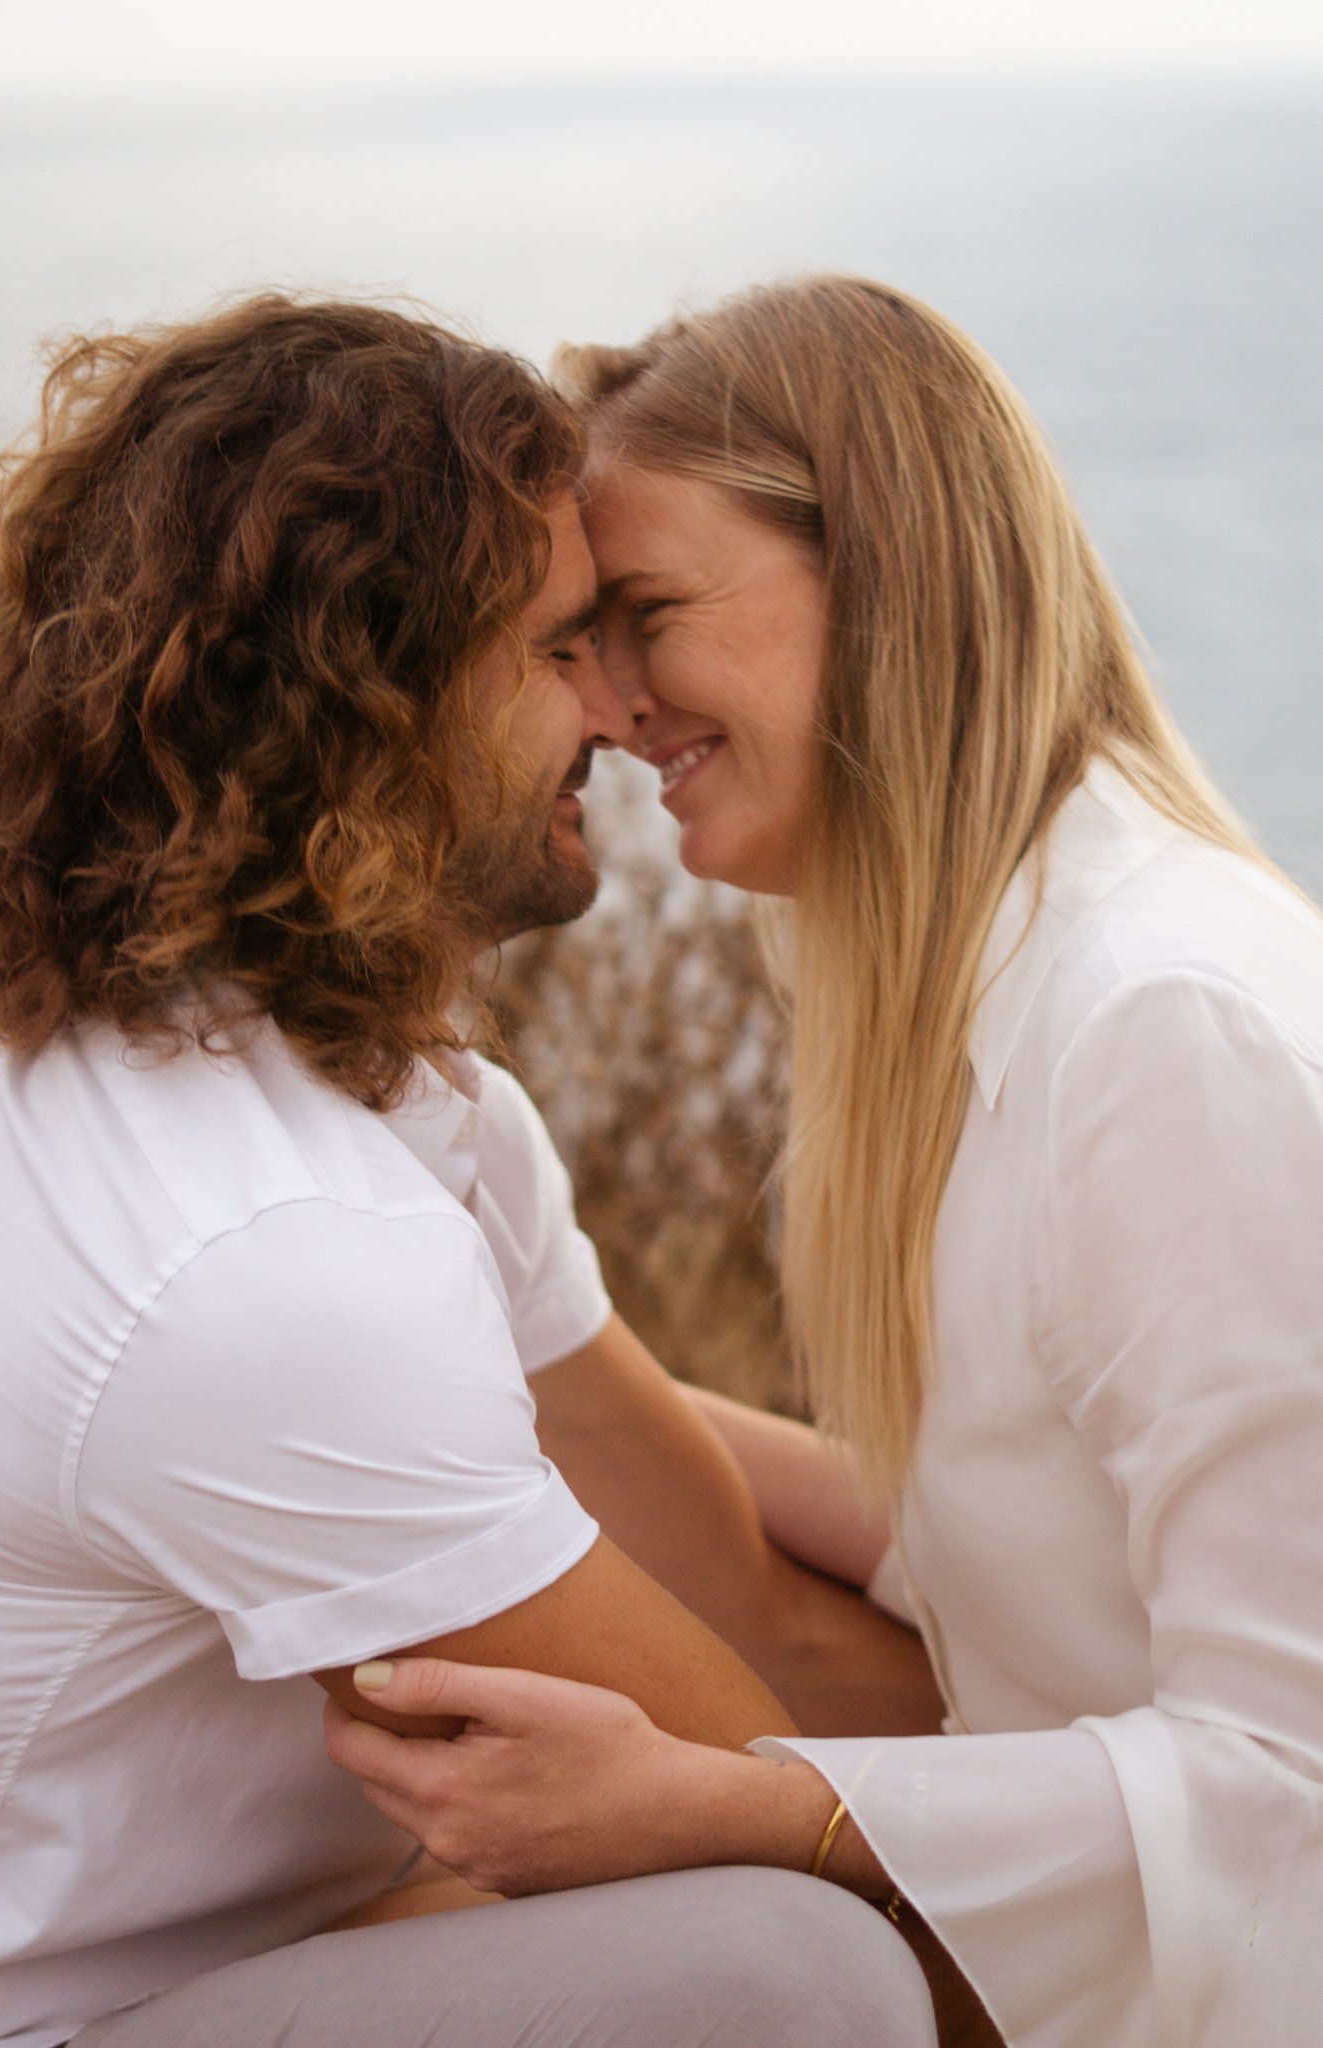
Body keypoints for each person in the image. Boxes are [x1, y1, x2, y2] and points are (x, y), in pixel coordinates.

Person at [323, 276, 1323, 2048]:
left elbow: (1291, 1777)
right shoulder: (997, 1007)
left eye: (643, 616)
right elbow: (1041, 1528)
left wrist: (736, 1805)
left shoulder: (1171, 1030)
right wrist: (458, 1382)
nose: (614, 714)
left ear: (887, 572)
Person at [0, 295, 940, 2048]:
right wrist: (1173, 1875)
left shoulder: (412, 1115)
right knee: (791, 1971)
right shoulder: (264, 1259)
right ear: (370, 697)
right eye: (567, 646)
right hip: (69, 2019)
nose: (628, 713)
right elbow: (740, 1792)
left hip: (290, 1953)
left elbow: (716, 1587)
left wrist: (1121, 1691)